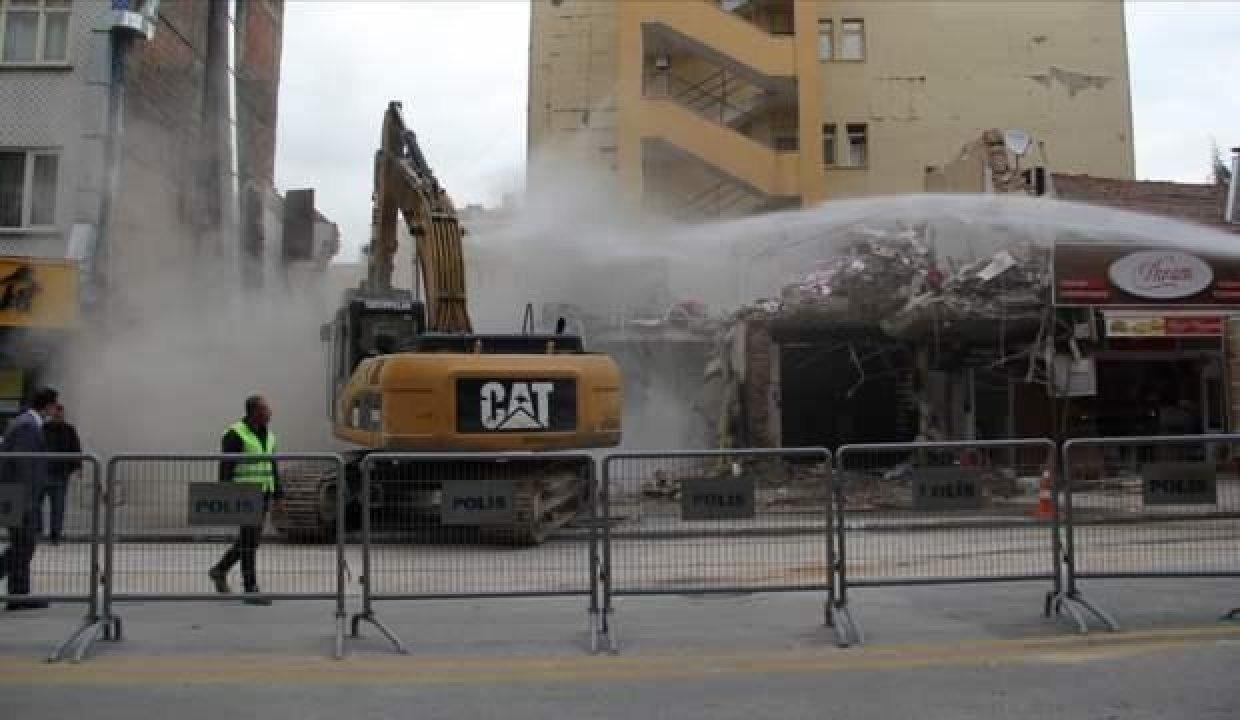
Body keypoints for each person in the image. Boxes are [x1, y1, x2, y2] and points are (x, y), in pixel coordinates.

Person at [208, 395, 282, 605]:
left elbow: (272, 465)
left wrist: (278, 494)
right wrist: (226, 495)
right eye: (266, 409)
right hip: (245, 493)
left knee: (250, 541)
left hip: (263, 492)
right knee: (249, 542)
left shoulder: (269, 436)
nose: (270, 413)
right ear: (254, 412)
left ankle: (219, 570)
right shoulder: (235, 434)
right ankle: (251, 589)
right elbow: (226, 467)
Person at [0, 387, 58, 610]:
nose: (56, 410)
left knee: (23, 545)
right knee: (24, 544)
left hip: (15, 494)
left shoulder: (27, 423)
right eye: (54, 405)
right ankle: (18, 595)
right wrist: (30, 499)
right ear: (47, 405)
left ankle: (19, 595)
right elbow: (24, 465)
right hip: (17, 495)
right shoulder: (27, 425)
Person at [40, 401, 81, 545]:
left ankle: (55, 536)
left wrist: (77, 467)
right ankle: (38, 532)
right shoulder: (43, 428)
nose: (58, 415)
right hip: (43, 473)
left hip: (60, 475)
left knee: (58, 507)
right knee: (37, 505)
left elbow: (75, 448)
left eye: (60, 413)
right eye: (56, 413)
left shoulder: (69, 430)